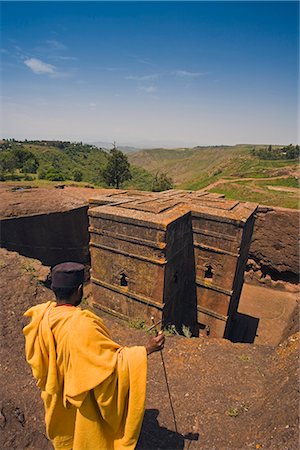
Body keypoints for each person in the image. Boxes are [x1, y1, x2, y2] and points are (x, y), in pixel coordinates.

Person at [23, 262, 165, 450]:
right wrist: (147, 349)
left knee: (67, 434)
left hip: (57, 394)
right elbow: (111, 364)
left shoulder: (41, 317)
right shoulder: (83, 324)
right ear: (80, 289)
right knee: (86, 436)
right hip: (80, 397)